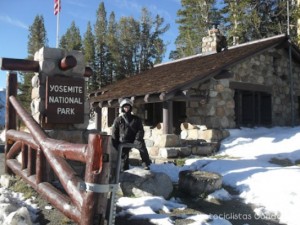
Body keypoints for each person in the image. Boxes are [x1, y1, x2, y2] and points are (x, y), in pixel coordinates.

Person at [111, 98, 152, 170]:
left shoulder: (136, 119)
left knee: (141, 145)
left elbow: (140, 130)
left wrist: (138, 138)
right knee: (124, 156)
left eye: (128, 106)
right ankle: (124, 168)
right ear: (122, 108)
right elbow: (114, 132)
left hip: (134, 139)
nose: (126, 108)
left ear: (130, 107)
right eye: (125, 107)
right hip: (123, 140)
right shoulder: (118, 120)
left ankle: (145, 163)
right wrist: (115, 143)